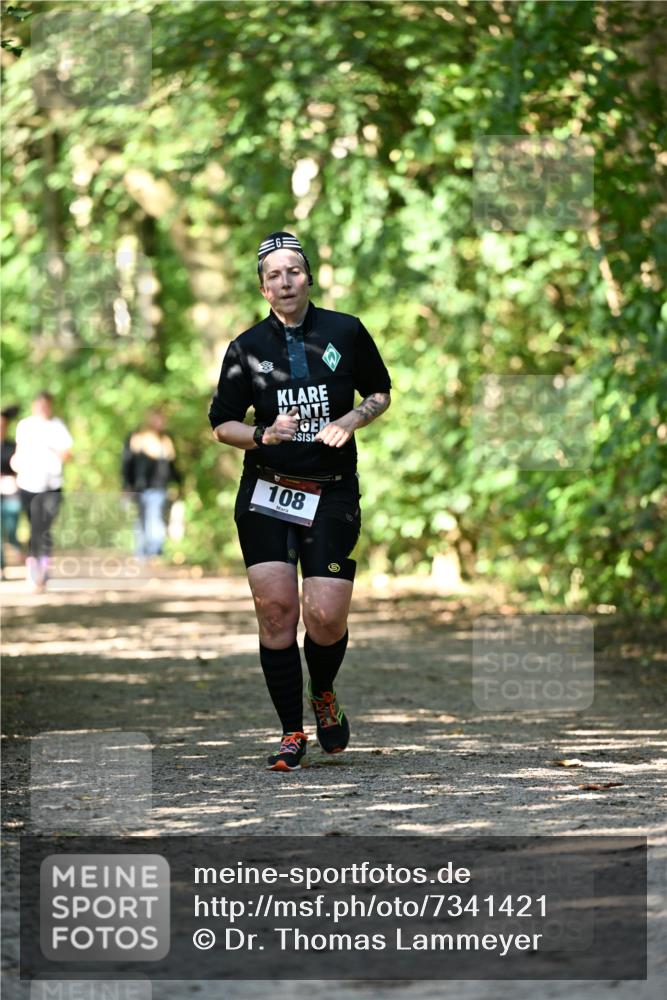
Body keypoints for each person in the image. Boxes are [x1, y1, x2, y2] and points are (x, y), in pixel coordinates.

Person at [209, 231, 391, 771]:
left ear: (308, 277)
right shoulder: (245, 348)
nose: (285, 282)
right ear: (262, 288)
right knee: (276, 611)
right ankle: (291, 731)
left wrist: (350, 419)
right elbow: (222, 425)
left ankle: (324, 691)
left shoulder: (345, 330)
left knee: (325, 616)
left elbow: (379, 392)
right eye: (274, 275)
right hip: (267, 489)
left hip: (331, 489)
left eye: (293, 271)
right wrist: (262, 434)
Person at [11, 391, 73, 590]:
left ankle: (44, 568)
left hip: (52, 486)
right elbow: (19, 452)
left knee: (44, 527)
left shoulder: (58, 427)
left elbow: (68, 454)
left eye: (46, 405)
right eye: (39, 405)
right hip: (28, 485)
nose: (43, 409)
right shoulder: (25, 426)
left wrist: (52, 450)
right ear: (34, 406)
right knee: (34, 527)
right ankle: (33, 568)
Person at [121, 408, 181, 559]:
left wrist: (178, 483)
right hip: (140, 487)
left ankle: (154, 552)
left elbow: (172, 465)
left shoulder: (165, 440)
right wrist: (126, 485)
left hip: (159, 487)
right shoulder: (137, 438)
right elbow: (127, 463)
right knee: (141, 520)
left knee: (155, 518)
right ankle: (142, 553)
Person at [1, 406, 22, 578]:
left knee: (11, 526)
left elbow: (19, 466)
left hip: (10, 491)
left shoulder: (12, 446)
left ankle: (16, 545)